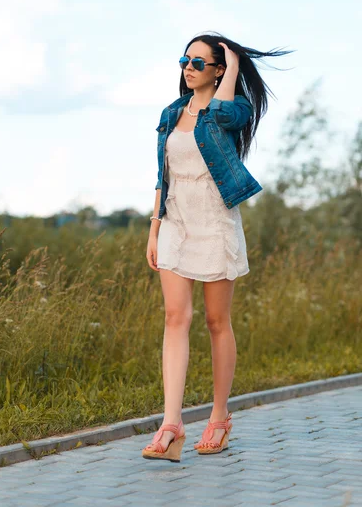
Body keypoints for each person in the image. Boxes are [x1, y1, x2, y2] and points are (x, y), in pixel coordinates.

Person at [143, 32, 294, 462]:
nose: (187, 68)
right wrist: (154, 229)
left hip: (214, 220)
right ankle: (171, 424)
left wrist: (231, 61)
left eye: (198, 62)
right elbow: (162, 176)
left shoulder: (233, 110)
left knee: (215, 320)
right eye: (184, 61)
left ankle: (220, 416)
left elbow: (222, 112)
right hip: (175, 220)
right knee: (176, 317)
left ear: (219, 70)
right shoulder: (172, 113)